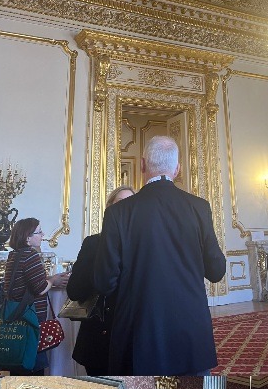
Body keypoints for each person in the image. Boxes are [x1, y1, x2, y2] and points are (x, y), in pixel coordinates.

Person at [92, 136, 226, 375]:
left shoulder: (118, 213)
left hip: (138, 332)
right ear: (177, 169)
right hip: (190, 331)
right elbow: (216, 271)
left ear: (142, 165)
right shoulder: (199, 207)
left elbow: (104, 281)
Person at [66, 185, 135, 375]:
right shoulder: (94, 243)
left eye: (131, 204)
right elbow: (75, 291)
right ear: (109, 209)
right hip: (100, 338)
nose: (126, 208)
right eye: (121, 203)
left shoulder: (146, 244)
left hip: (134, 341)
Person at [3, 217, 69, 374]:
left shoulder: (14, 255)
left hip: (17, 314)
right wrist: (53, 280)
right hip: (30, 316)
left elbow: (29, 282)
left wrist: (49, 280)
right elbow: (40, 288)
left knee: (20, 361)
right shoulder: (30, 256)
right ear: (27, 238)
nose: (43, 234)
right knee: (33, 365)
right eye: (39, 232)